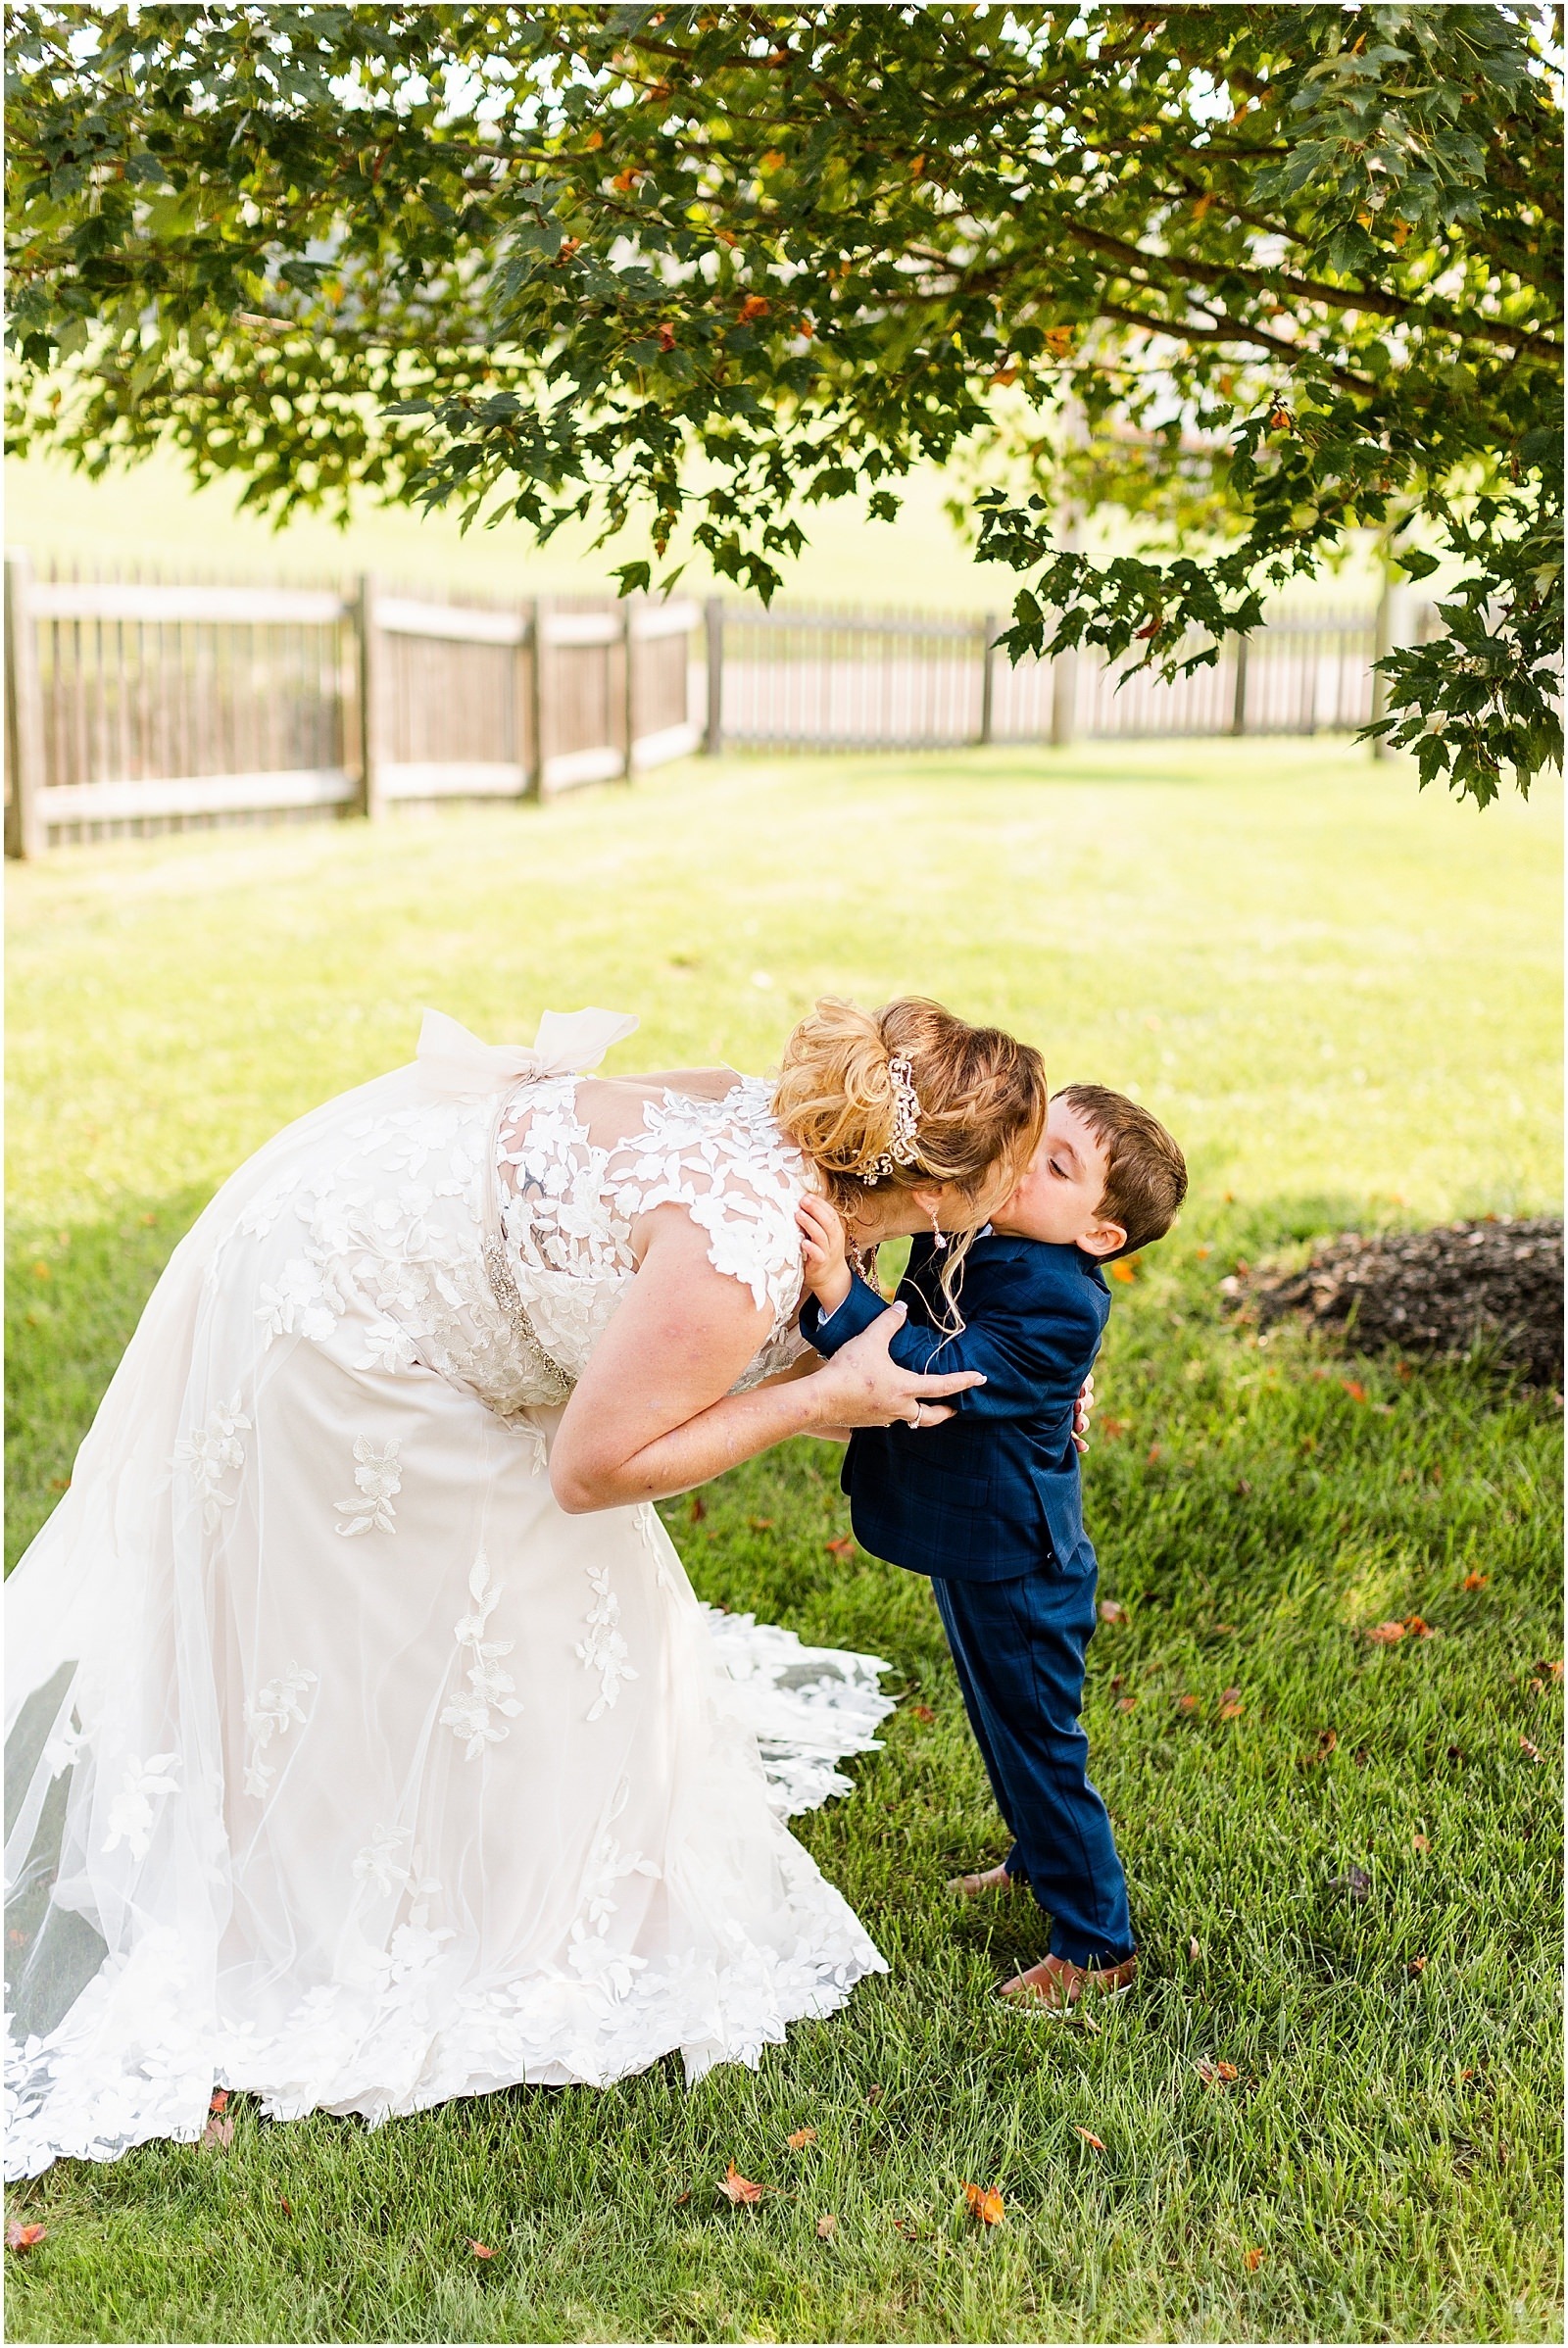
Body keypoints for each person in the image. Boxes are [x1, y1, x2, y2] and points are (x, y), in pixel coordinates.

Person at [4, 995, 1046, 2177]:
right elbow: (594, 1465)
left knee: (541, 1620)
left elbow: (753, 1352)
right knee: (439, 1602)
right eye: (1012, 1172)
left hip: (400, 1218)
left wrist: (887, 1379)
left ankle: (489, 1832)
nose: (1018, 1199)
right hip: (350, 1317)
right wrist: (818, 1401)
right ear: (930, 1188)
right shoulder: (741, 1248)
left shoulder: (783, 1126)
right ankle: (344, 1889)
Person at [796, 1083, 1188, 2008]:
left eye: (1058, 1168)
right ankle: (1033, 1856)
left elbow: (937, 1368)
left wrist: (838, 1294)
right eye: (1033, 1139)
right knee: (991, 1709)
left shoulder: (1063, 1302)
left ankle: (1098, 1944)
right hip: (969, 1537)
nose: (1021, 1163)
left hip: (1020, 1559)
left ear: (1100, 1236)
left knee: (1039, 1737)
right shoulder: (979, 1216)